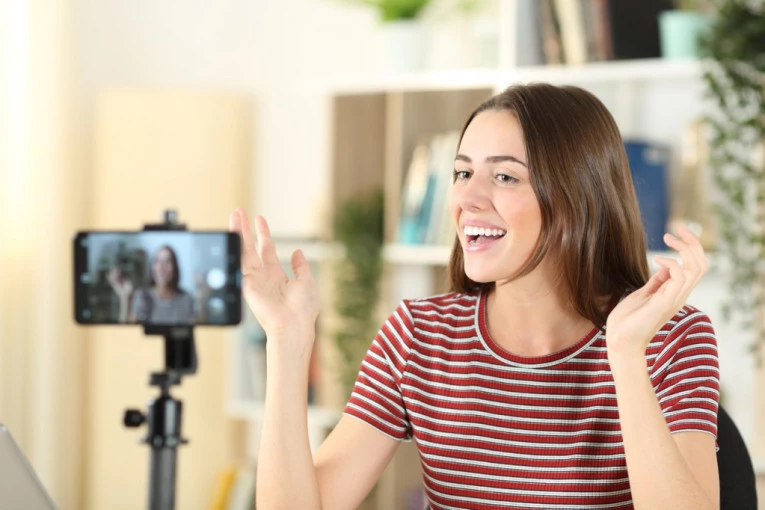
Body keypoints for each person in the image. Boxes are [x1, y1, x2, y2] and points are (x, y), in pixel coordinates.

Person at [231, 83, 720, 510]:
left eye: (504, 176)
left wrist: (627, 355)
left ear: (577, 198)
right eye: (462, 173)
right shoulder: (420, 335)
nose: (467, 199)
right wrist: (287, 341)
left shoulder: (670, 337)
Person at [107, 245, 196, 325]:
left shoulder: (186, 299)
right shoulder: (142, 296)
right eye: (157, 261)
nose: (161, 267)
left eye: (168, 262)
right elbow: (127, 333)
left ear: (175, 267)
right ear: (152, 267)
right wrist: (124, 298)